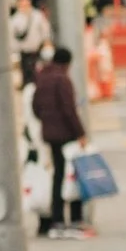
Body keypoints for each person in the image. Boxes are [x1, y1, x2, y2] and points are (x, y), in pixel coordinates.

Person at [29, 46, 86, 237]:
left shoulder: (42, 78)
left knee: (57, 175)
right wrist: (80, 133)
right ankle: (73, 217)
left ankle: (56, 217)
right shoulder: (62, 79)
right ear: (67, 63)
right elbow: (69, 110)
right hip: (66, 135)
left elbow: (35, 106)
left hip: (49, 134)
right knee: (73, 174)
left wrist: (47, 120)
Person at [10, 0, 52, 87]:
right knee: (26, 77)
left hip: (37, 50)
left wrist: (46, 42)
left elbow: (45, 30)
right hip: (24, 52)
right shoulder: (15, 19)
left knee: (38, 74)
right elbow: (12, 37)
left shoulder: (37, 16)